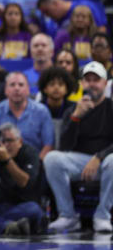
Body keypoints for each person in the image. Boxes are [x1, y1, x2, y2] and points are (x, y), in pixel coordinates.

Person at [44, 61, 113, 233]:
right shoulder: (73, 110)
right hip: (79, 162)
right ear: (82, 84)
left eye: (96, 80)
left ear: (105, 83)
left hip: (105, 163)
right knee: (52, 158)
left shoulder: (111, 107)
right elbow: (64, 147)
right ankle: (67, 215)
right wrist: (76, 117)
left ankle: (102, 215)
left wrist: (99, 157)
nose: (92, 84)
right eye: (87, 80)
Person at [0, 72, 55, 159]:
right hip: (1, 162)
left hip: (35, 163)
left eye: (21, 85)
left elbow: (48, 145)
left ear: (28, 89)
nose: (16, 88)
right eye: (12, 85)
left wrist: (38, 167)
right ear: (5, 90)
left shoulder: (42, 112)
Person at [37, 0, 107, 35]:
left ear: (55, 4)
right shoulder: (52, 22)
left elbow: (102, 29)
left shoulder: (85, 7)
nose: (47, 16)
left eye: (47, 11)